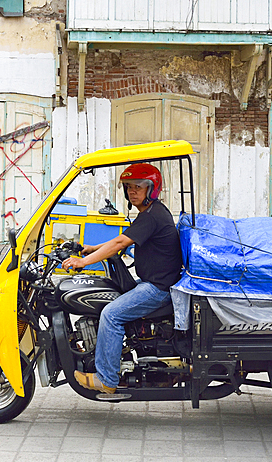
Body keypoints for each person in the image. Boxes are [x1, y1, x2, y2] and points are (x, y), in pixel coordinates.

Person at [60, 163, 183, 393]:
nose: (132, 192)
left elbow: (120, 243)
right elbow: (124, 239)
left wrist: (83, 262)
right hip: (155, 282)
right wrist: (92, 248)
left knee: (111, 314)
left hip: (158, 288)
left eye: (138, 186)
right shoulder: (150, 212)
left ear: (152, 189)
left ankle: (107, 379)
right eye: (128, 187)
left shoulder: (152, 216)